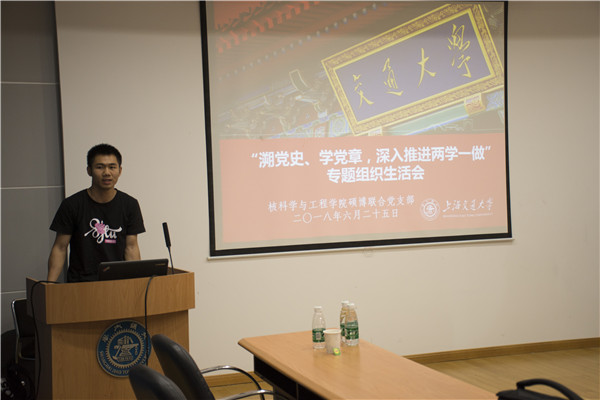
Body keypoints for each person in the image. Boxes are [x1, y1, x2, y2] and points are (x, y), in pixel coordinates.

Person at [47, 144, 145, 282]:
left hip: (117, 283)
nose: (107, 173)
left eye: (112, 167)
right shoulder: (72, 205)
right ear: (89, 170)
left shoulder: (130, 204)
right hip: (80, 283)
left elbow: (131, 247)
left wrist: (137, 285)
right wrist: (49, 285)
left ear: (120, 170)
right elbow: (60, 247)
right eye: (100, 167)